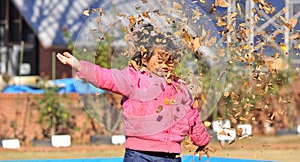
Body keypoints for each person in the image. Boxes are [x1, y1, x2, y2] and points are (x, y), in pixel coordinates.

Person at [56, 23, 215, 161]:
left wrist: (202, 142)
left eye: (170, 61)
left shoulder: (180, 88)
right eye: (160, 61)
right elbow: (107, 77)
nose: (165, 65)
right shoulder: (135, 80)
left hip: (170, 155)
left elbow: (192, 117)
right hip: (139, 153)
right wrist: (80, 66)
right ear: (145, 60)